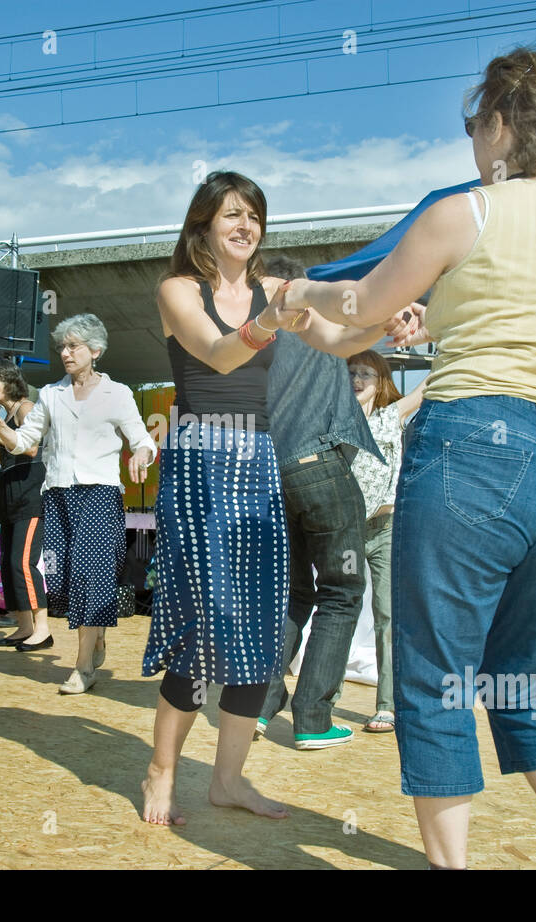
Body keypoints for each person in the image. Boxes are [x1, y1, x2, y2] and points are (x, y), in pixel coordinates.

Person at [281, 48, 536, 869]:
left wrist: (300, 296)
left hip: (475, 447)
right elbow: (520, 323)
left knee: (435, 675)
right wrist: (437, 325)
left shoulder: (465, 211)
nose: (470, 138)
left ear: (499, 123)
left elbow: (355, 306)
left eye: (474, 122)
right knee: (524, 672)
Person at [135, 171, 421, 825]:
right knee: (207, 632)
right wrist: (269, 318)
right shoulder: (177, 290)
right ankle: (162, 771)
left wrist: (384, 325)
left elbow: (336, 339)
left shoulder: (272, 290)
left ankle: (228, 780)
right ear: (203, 223)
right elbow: (218, 354)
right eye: (232, 214)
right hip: (203, 460)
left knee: (260, 635)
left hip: (258, 460)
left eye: (255, 217)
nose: (245, 226)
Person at [0, 314, 155, 695]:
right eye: (62, 346)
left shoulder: (118, 393)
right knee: (62, 581)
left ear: (95, 350)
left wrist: (141, 454)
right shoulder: (50, 395)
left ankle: (82, 666)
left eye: (73, 345)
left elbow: (142, 439)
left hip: (99, 494)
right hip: (56, 495)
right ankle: (97, 637)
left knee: (92, 578)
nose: (65, 352)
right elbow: (24, 441)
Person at [258, 254, 384, 751]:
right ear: (301, 284)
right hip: (322, 469)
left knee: (290, 593)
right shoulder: (317, 317)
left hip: (271, 477)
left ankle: (261, 708)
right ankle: (312, 718)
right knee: (342, 589)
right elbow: (363, 320)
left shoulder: (250, 335)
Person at [344, 350, 424, 734]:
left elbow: (428, 387)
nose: (358, 379)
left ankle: (387, 705)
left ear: (381, 381)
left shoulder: (391, 416)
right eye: (352, 372)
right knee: (338, 613)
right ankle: (324, 700)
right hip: (347, 529)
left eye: (367, 374)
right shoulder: (337, 420)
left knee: (387, 617)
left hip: (386, 528)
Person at [0, 358, 51, 650]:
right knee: (9, 563)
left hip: (30, 493)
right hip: (10, 493)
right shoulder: (4, 414)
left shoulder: (25, 408)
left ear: (8, 383)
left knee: (23, 562)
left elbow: (31, 447)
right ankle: (24, 626)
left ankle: (43, 629)